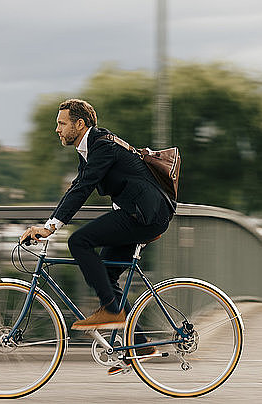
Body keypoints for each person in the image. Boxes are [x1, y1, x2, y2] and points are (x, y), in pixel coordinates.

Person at [20, 99, 175, 372]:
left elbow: (84, 189)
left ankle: (111, 311)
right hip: (140, 214)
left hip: (144, 215)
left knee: (78, 241)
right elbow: (77, 186)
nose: (56, 129)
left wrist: (50, 228)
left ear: (80, 124)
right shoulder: (89, 149)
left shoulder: (102, 146)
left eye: (61, 123)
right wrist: (50, 223)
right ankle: (140, 343)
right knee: (107, 271)